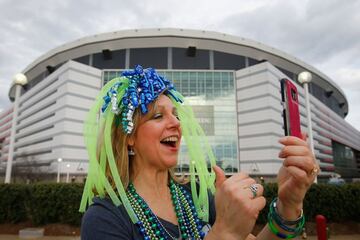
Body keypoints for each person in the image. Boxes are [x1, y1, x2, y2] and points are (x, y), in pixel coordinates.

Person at [80, 65, 319, 240]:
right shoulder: (105, 218)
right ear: (129, 137)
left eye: (175, 114)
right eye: (158, 115)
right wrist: (223, 233)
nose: (176, 123)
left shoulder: (198, 198)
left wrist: (289, 205)